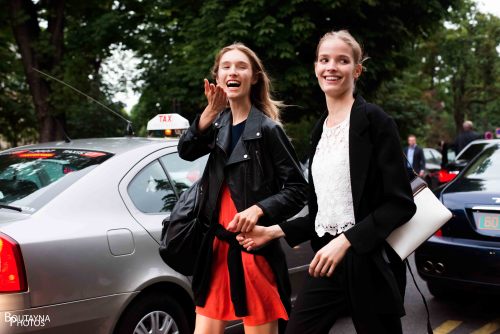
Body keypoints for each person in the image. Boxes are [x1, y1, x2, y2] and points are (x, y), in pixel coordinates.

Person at [238, 30, 416, 334]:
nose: (331, 67)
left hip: (369, 264)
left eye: (342, 60)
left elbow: (400, 204)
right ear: (316, 67)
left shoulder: (375, 121)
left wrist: (345, 242)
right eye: (324, 59)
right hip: (327, 263)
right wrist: (272, 231)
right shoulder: (320, 129)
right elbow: (324, 214)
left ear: (356, 70)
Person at [177, 43, 307, 334]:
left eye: (241, 66)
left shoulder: (268, 129)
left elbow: (299, 189)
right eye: (226, 66)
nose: (233, 71)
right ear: (218, 77)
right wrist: (209, 113)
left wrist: (259, 209)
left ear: (255, 77)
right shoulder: (218, 124)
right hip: (214, 250)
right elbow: (185, 150)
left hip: (252, 249)